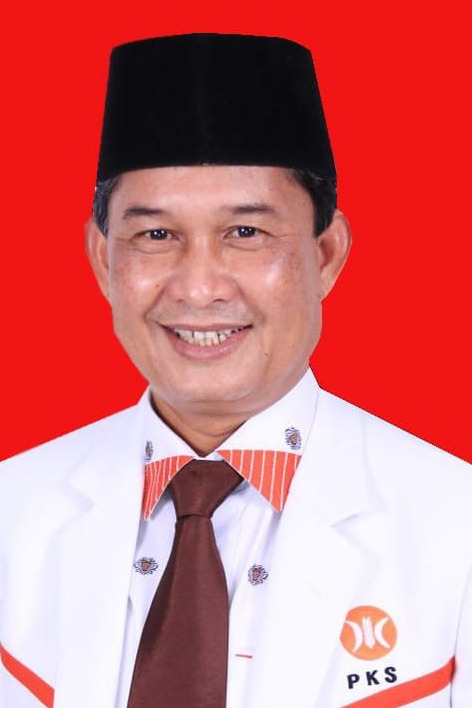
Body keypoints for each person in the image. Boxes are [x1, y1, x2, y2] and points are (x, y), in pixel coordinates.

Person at [1, 33, 471, 708]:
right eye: (156, 235)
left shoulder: (456, 527)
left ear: (326, 254)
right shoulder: (11, 511)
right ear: (103, 260)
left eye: (245, 233)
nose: (199, 288)